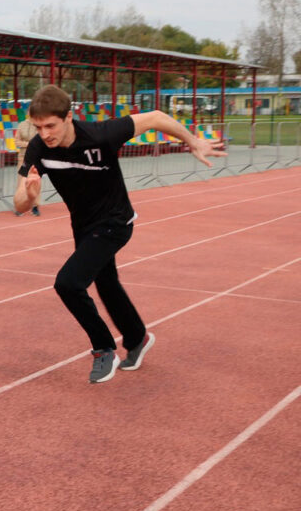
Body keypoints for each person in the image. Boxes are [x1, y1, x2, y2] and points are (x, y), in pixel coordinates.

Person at [14, 85, 225, 384]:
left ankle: (103, 349)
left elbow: (153, 117)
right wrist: (30, 195)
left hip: (115, 222)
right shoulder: (38, 148)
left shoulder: (102, 134)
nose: (45, 133)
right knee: (106, 283)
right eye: (39, 127)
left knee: (68, 283)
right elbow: (19, 203)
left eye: (51, 125)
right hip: (84, 227)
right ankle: (137, 338)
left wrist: (192, 140)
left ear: (69, 117)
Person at [13, 114, 40, 216]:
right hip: (23, 157)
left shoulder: (38, 125)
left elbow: (40, 140)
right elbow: (17, 142)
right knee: (21, 182)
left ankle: (35, 206)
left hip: (36, 157)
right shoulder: (21, 125)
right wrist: (28, 144)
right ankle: (19, 207)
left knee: (35, 181)